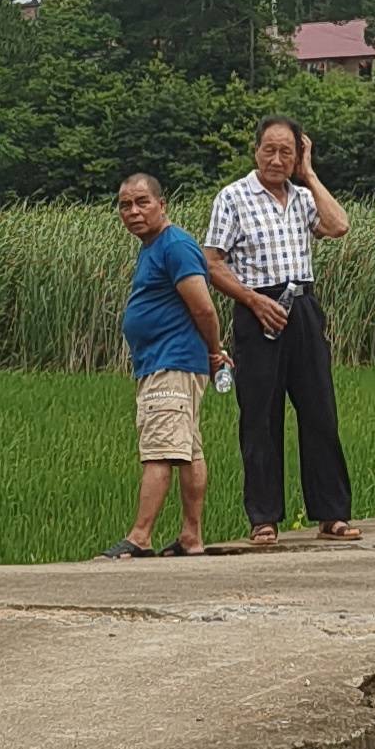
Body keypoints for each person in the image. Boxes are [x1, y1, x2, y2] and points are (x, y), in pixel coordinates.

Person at [201, 118, 359, 545]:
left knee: (320, 411)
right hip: (258, 308)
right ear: (256, 151)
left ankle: (331, 514)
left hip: (303, 307)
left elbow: (339, 225)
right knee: (259, 416)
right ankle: (264, 517)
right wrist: (253, 301)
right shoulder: (233, 197)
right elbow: (212, 262)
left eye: (286, 152)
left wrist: (309, 173)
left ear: (297, 154)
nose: (276, 159)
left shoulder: (304, 197)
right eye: (269, 150)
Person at [110, 173, 231, 558]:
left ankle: (140, 536)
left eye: (142, 202)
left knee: (160, 449)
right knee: (188, 450)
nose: (133, 211)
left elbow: (203, 306)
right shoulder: (152, 247)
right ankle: (191, 536)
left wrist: (215, 351)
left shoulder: (174, 244)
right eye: (125, 205)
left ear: (162, 205)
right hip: (165, 361)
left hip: (172, 361)